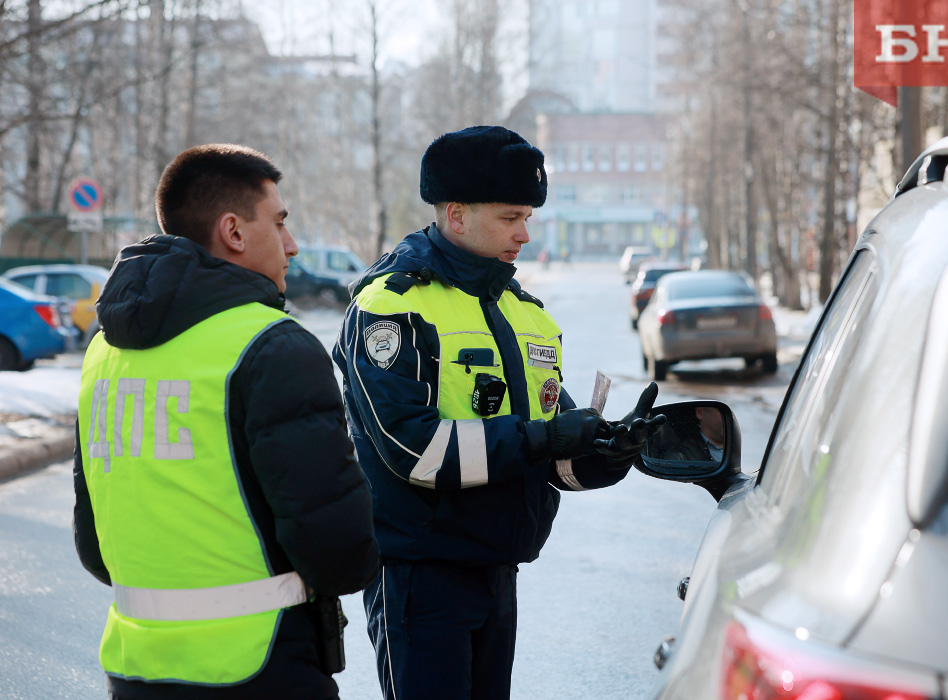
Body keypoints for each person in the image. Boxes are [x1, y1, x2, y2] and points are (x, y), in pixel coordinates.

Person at [332, 125, 663, 700]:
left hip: (498, 572)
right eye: (512, 218)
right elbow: (417, 451)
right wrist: (545, 436)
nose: (526, 234)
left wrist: (604, 454)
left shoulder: (526, 314)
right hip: (420, 578)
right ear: (456, 215)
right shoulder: (390, 306)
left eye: (529, 217)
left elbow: (544, 459)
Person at [72, 144, 380, 700]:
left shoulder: (103, 352)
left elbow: (95, 547)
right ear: (234, 231)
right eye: (280, 223)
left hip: (135, 664)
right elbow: (339, 553)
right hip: (260, 665)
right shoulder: (272, 346)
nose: (291, 245)